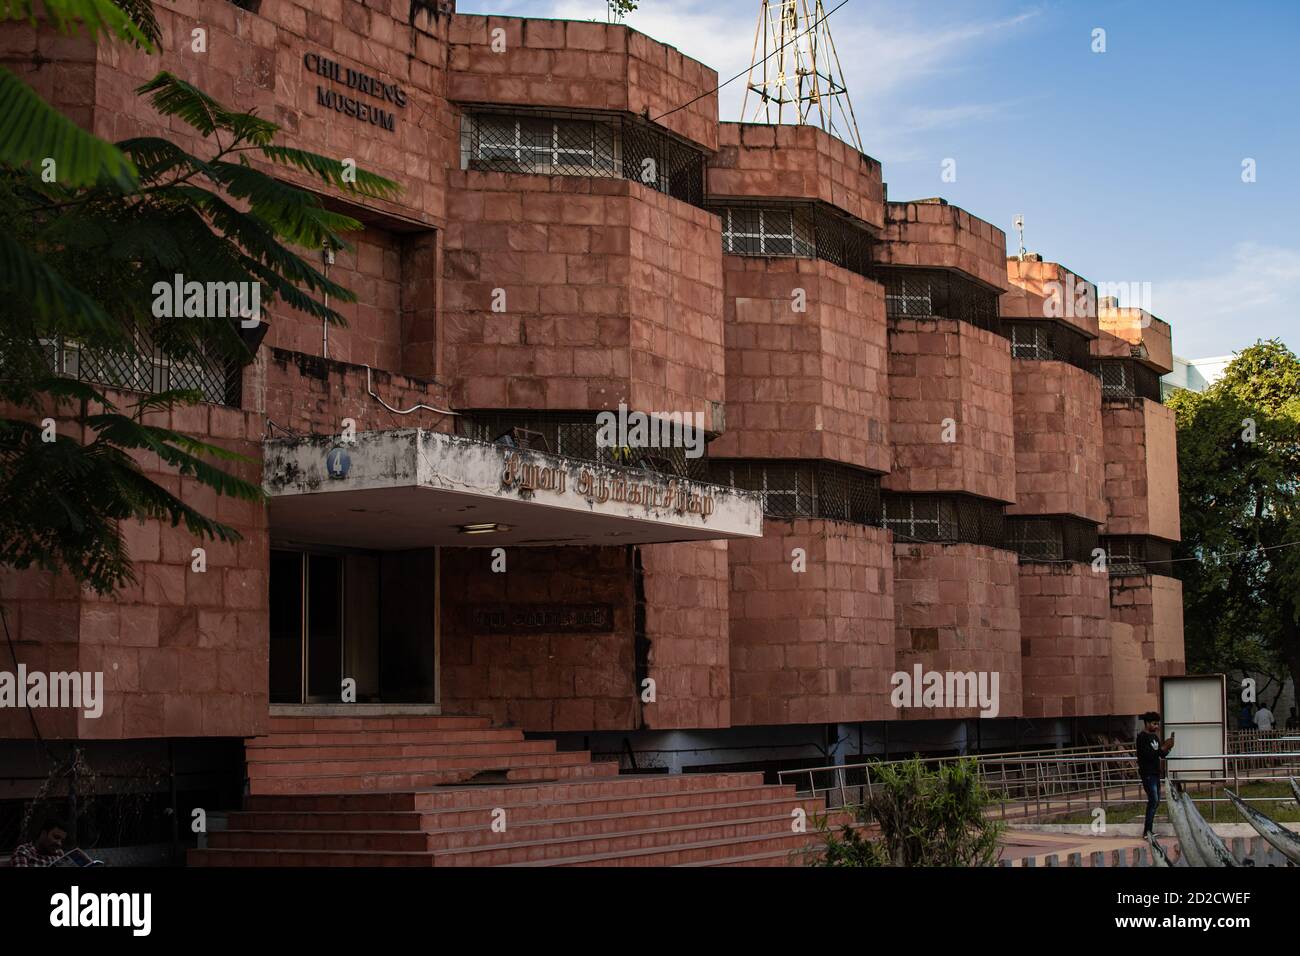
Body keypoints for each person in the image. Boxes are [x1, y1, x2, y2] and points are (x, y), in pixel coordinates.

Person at [1136, 712, 1175, 841]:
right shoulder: (1142, 738)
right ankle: (1147, 831)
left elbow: (1160, 754)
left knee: (1156, 801)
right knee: (1153, 800)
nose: (1156, 726)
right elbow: (1148, 755)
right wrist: (1164, 747)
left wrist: (1168, 748)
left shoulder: (1155, 737)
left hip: (1155, 773)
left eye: (1157, 723)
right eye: (1154, 723)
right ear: (1147, 723)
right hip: (1147, 774)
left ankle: (1149, 831)